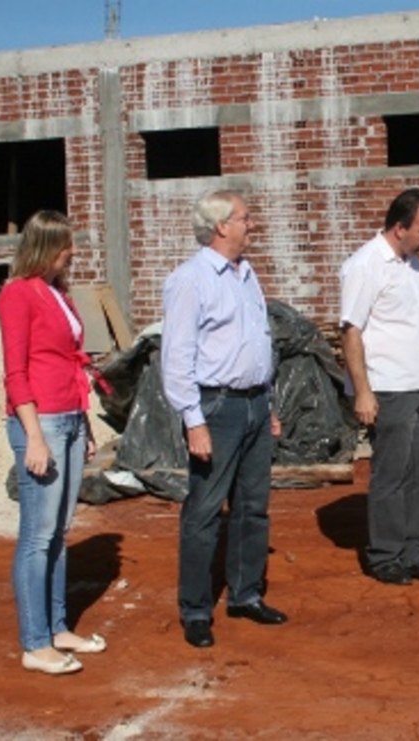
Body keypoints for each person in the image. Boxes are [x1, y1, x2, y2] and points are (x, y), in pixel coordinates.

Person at [161, 190, 286, 648]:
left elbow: (257, 342)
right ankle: (196, 609)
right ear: (221, 226)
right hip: (216, 407)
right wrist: (193, 421)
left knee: (253, 506)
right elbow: (176, 357)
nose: (252, 225)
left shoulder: (246, 274)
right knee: (205, 510)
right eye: (244, 218)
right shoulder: (190, 280)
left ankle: (245, 594)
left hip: (254, 404)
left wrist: (267, 403)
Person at [0, 210, 105, 675]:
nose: (73, 252)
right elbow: (15, 372)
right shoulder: (17, 294)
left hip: (69, 419)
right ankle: (35, 642)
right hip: (40, 422)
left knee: (58, 533)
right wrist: (35, 438)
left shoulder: (58, 293)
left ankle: (57, 628)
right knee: (37, 536)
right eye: (65, 245)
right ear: (44, 247)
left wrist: (86, 425)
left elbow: (68, 361)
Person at [339, 188, 419, 586]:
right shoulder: (365, 265)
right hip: (388, 386)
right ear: (399, 227)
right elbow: (351, 330)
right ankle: (385, 555)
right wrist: (363, 391)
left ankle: (412, 550)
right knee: (392, 473)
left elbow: (404, 312)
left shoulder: (411, 263)